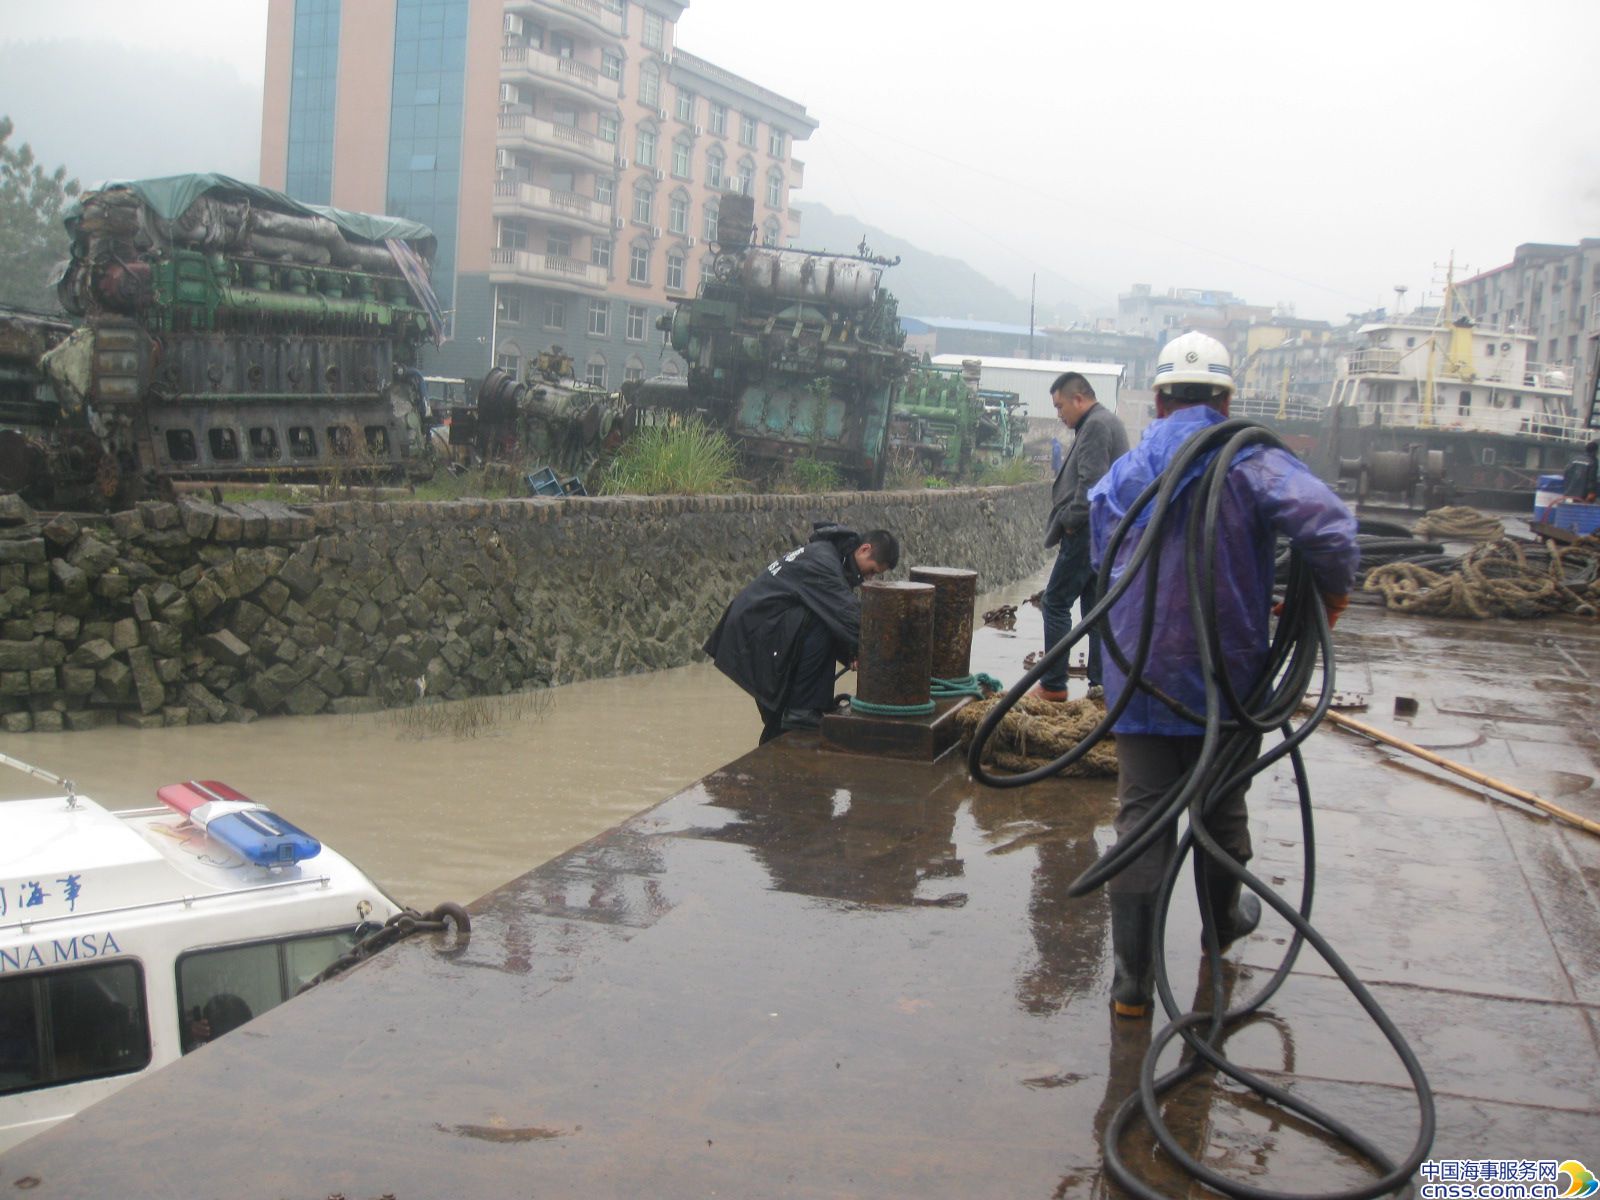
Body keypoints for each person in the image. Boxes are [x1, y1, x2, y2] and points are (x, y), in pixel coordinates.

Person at [1087, 331, 1359, 1018]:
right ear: (1228, 396)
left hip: (1140, 668)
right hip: (1226, 672)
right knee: (1220, 806)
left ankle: (1131, 983)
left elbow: (1100, 532)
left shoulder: (1134, 463)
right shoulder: (1252, 460)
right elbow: (1330, 527)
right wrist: (1328, 597)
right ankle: (1221, 928)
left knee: (1143, 817)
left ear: (1157, 397)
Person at [706, 522, 898, 744]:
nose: (869, 578)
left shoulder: (830, 557)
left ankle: (792, 725)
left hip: (764, 629)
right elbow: (849, 615)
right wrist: (889, 649)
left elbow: (841, 618)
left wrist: (850, 653)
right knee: (822, 621)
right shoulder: (824, 561)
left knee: (779, 721)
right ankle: (804, 709)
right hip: (755, 633)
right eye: (872, 570)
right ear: (864, 549)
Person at [1036, 373, 1129, 703]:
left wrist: (1072, 522)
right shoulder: (1104, 421)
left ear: (1079, 399)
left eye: (1060, 406)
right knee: (1095, 607)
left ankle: (1053, 684)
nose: (1059, 414)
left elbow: (1092, 483)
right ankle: (1101, 685)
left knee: (1056, 602)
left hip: (1088, 529)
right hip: (1103, 531)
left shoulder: (1095, 426)